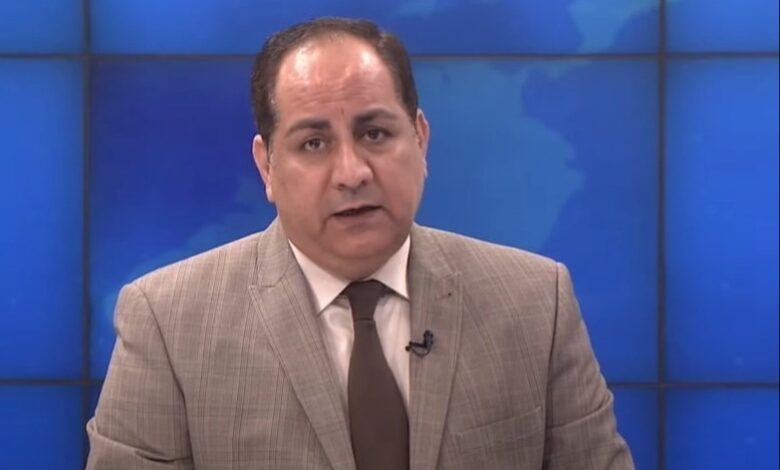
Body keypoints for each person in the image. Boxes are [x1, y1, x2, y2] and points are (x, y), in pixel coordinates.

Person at [86, 17, 634, 470]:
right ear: (267, 166)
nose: (352, 173)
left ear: (419, 139)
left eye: (375, 134)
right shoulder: (167, 323)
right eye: (314, 143)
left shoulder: (537, 303)